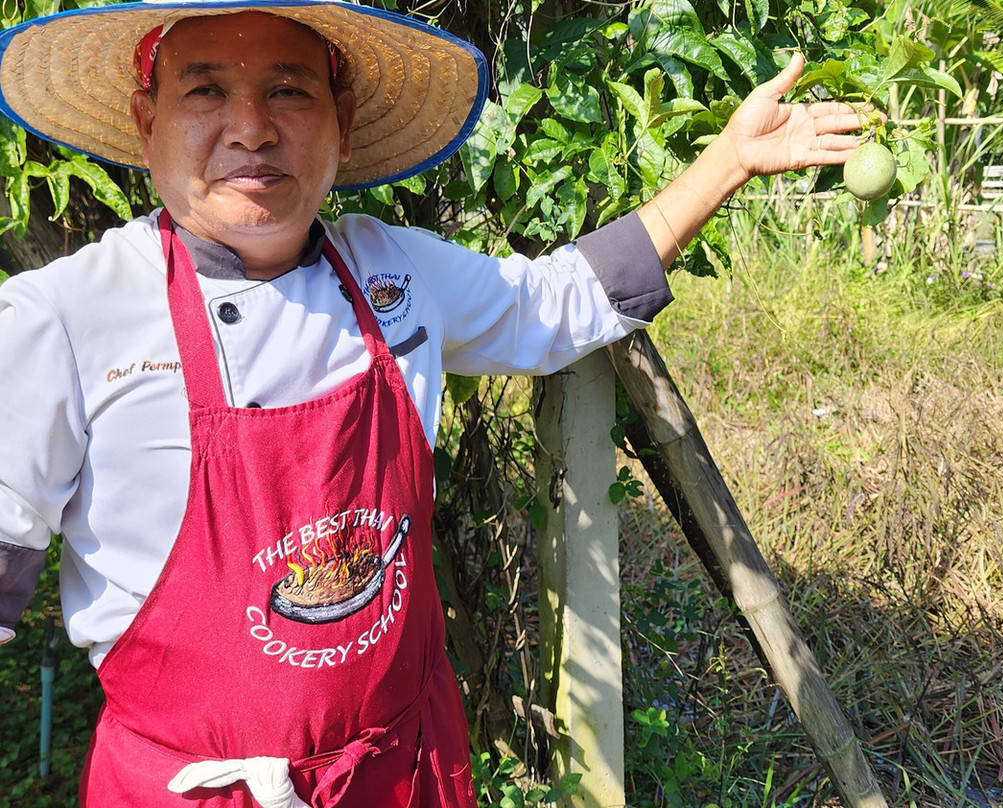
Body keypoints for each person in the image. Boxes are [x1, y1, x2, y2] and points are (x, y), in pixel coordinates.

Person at [0, 1, 866, 806]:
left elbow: (555, 304)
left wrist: (726, 163)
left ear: (341, 125)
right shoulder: (65, 321)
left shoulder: (397, 274)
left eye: (289, 91)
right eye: (206, 90)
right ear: (147, 122)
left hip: (404, 773)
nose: (253, 127)